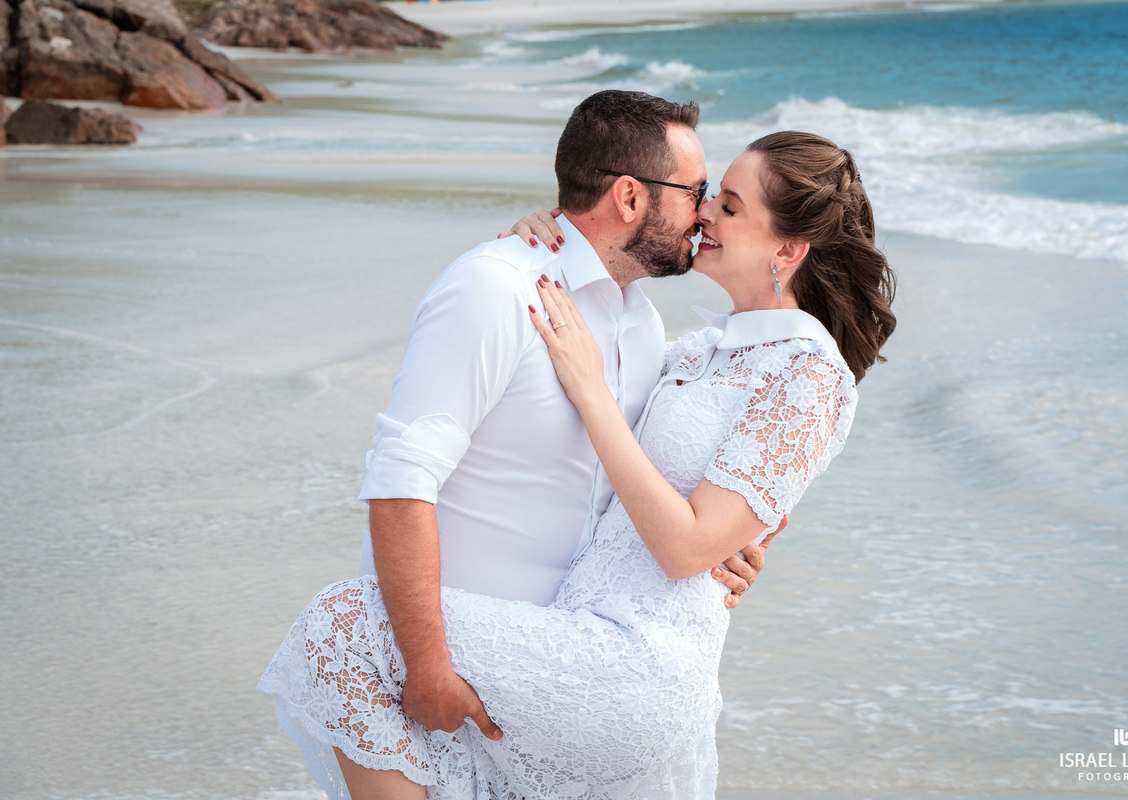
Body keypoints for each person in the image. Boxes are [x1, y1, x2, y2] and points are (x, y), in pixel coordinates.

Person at [259, 126, 896, 798]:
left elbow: (687, 548)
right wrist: (557, 234)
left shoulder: (811, 375)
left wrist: (592, 393)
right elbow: (655, 483)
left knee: (344, 628)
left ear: (788, 251)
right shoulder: (696, 352)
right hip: (576, 626)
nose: (705, 213)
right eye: (708, 195)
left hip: (636, 659)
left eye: (729, 206)